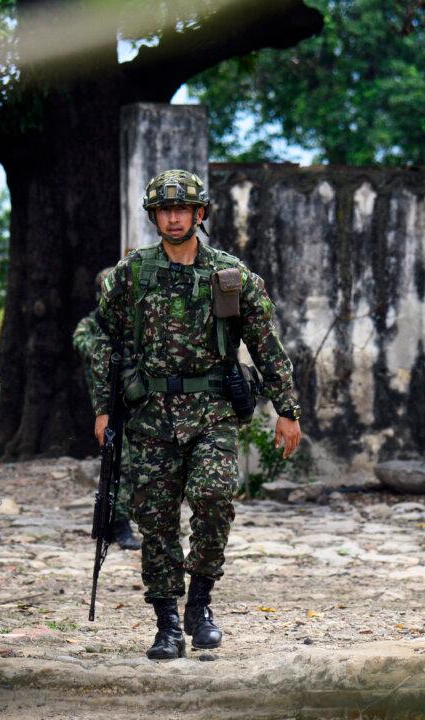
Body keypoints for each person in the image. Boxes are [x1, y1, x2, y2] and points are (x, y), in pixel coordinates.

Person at [92, 170, 302, 660]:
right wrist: (104, 407)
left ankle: (200, 603)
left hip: (211, 411)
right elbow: (108, 343)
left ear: (199, 214)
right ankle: (167, 622)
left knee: (213, 500)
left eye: (182, 209)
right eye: (164, 210)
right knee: (156, 520)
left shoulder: (230, 276)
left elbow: (266, 346)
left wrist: (286, 410)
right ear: (154, 216)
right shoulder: (132, 274)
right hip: (150, 415)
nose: (173, 217)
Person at [72, 268, 140, 551]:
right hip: (109, 406)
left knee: (137, 463)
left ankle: (128, 517)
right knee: (118, 463)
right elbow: (85, 347)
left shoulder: (137, 320)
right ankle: (118, 522)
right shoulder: (91, 325)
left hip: (138, 402)